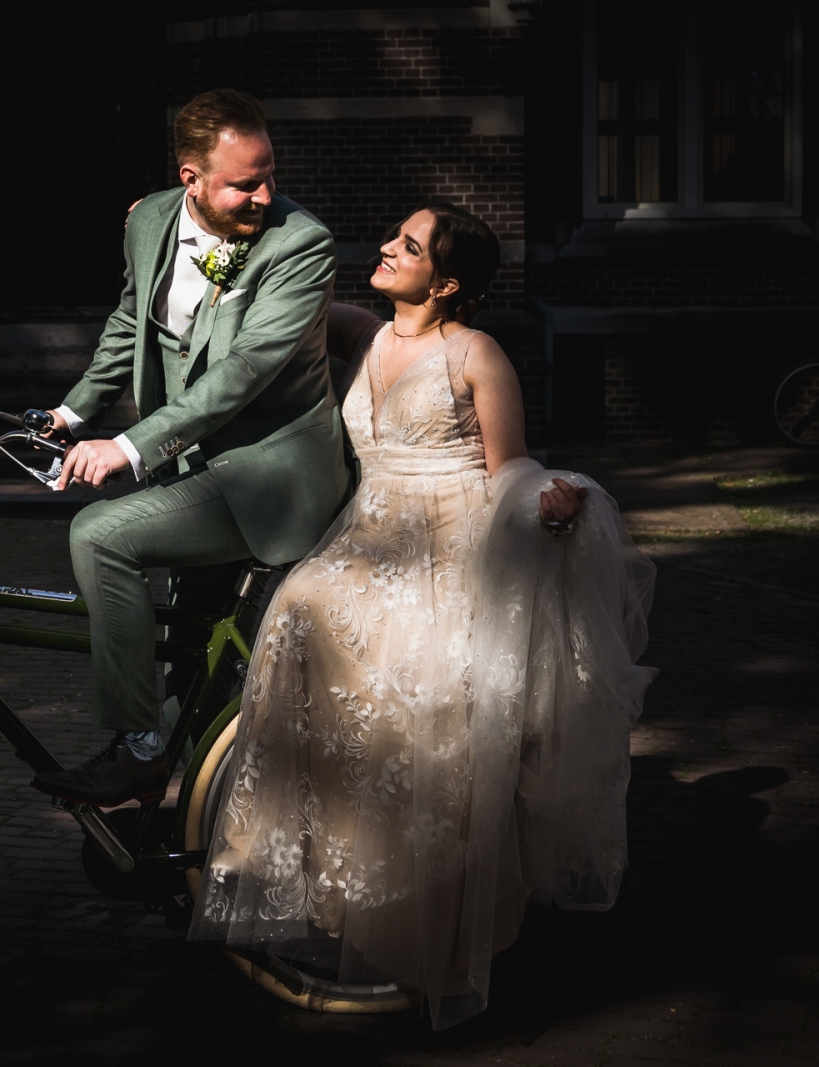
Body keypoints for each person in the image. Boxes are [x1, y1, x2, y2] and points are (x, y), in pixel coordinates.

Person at [186, 202, 658, 1029]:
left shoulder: (477, 353)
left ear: (444, 282)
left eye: (407, 245)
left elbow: (509, 467)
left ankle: (430, 919)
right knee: (296, 608)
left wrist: (548, 502)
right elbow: (267, 287)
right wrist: (195, 233)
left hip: (449, 551)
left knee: (430, 711)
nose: (385, 246)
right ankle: (307, 861)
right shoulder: (362, 333)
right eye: (394, 237)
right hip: (366, 537)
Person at [29, 89, 349, 808]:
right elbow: (128, 323)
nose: (265, 194)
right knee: (191, 659)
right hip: (193, 466)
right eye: (245, 181)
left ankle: (139, 749)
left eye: (271, 174)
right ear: (190, 179)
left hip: (270, 473)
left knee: (101, 534)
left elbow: (241, 375)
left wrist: (129, 447)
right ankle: (179, 834)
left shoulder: (300, 244)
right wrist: (69, 412)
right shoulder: (146, 222)